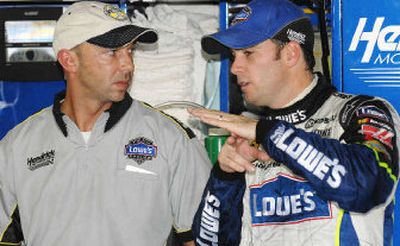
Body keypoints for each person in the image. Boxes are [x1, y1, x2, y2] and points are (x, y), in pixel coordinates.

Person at [189, 0, 400, 245]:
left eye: (248, 53)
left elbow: (367, 186)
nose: (235, 68)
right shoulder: (247, 139)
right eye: (234, 56)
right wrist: (225, 178)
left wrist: (269, 133)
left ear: (290, 53)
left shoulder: (358, 113)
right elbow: (209, 242)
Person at [0, 1, 211, 245]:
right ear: (69, 60)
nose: (128, 64)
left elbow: (200, 238)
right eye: (112, 52)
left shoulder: (173, 139)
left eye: (130, 51)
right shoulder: (16, 148)